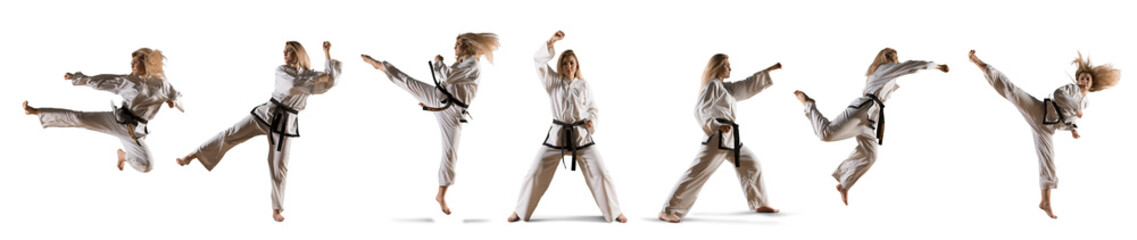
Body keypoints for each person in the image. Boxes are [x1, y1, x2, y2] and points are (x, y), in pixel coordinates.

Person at [176, 41, 340, 222]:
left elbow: (331, 81)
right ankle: (194, 155)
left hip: (285, 124)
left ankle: (276, 209)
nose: (285, 54)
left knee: (279, 165)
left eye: (289, 51)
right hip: (266, 114)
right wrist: (319, 78)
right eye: (284, 51)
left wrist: (327, 54)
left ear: (299, 53)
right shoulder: (282, 71)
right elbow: (293, 85)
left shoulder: (310, 75)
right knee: (231, 133)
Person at [968, 50, 1119, 219]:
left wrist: (1073, 130)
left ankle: (1045, 202)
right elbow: (1058, 95)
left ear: (1092, 84)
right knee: (1012, 91)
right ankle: (979, 64)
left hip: (1046, 129)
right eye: (1082, 78)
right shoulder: (1072, 89)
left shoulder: (1086, 102)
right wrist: (1074, 107)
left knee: (1048, 162)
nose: (1084, 81)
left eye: (1087, 79)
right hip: (1039, 112)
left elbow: (1067, 119)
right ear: (1077, 80)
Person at [361, 32, 499, 215]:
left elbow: (448, 76)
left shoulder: (472, 64)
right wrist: (429, 102)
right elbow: (449, 84)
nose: (454, 47)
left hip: (453, 113)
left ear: (467, 46)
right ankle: (380, 66)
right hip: (439, 99)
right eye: (455, 44)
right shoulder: (462, 63)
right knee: (408, 82)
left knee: (450, 154)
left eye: (458, 44)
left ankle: (441, 195)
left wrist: (438, 61)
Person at [793, 48, 948, 205]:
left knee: (871, 155)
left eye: (897, 57)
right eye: (893, 58)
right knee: (826, 134)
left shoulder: (888, 74)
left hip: (871, 119)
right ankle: (808, 104)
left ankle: (844, 185)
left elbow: (904, 69)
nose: (897, 60)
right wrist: (937, 66)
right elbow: (911, 66)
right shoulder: (883, 69)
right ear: (885, 59)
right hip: (862, 110)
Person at [507, 31, 626, 223]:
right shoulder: (553, 82)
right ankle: (520, 212)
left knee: (602, 172)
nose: (568, 66)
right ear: (560, 66)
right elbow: (538, 61)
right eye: (564, 63)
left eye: (571, 62)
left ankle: (614, 212)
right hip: (558, 137)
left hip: (581, 136)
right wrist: (551, 42)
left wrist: (590, 121)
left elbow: (593, 108)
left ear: (576, 64)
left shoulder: (584, 85)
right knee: (534, 172)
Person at [659, 53, 782, 223]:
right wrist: (716, 125)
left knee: (751, 163)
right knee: (696, 174)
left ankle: (759, 203)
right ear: (717, 67)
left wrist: (769, 70)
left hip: (731, 137)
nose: (730, 68)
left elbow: (746, 85)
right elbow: (700, 110)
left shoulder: (725, 88)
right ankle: (668, 210)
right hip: (718, 137)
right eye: (727, 64)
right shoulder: (711, 86)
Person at [23, 47, 183, 173]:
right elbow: (102, 80)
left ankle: (123, 156)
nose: (131, 65)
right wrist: (76, 77)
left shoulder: (161, 84)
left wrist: (173, 101)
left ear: (147, 63)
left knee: (147, 166)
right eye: (131, 62)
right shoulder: (128, 81)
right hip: (117, 120)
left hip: (134, 130)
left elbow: (176, 95)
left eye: (135, 62)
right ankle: (36, 111)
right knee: (79, 118)